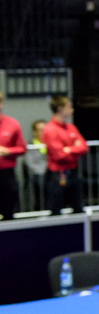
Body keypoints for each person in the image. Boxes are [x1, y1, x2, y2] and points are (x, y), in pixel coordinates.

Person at [42, 95, 88, 214]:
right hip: (57, 174)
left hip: (73, 172)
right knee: (56, 208)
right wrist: (75, 148)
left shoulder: (71, 127)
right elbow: (60, 155)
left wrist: (69, 149)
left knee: (78, 207)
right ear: (60, 109)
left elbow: (84, 147)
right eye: (69, 107)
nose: (72, 110)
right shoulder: (50, 129)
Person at [0, 91, 27, 220]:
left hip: (7, 174)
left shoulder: (12, 123)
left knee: (8, 210)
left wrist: (7, 151)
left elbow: (22, 148)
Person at [23, 120, 47, 211]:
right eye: (41, 130)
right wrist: (46, 170)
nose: (43, 132)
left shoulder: (51, 144)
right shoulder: (30, 145)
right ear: (35, 132)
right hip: (38, 178)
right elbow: (30, 164)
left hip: (51, 176)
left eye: (45, 130)